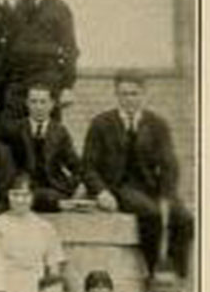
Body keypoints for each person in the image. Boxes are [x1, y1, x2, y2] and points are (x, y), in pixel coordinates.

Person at [82, 73, 195, 276]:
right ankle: (154, 272)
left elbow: (170, 164)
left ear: (143, 94)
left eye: (134, 94)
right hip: (120, 186)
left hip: (152, 186)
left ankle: (176, 274)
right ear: (116, 95)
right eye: (123, 94)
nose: (129, 99)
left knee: (184, 218)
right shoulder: (101, 123)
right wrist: (101, 192)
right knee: (151, 214)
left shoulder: (157, 124)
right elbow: (87, 166)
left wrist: (167, 196)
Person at [2, 0, 78, 121]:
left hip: (47, 78)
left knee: (46, 131)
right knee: (15, 129)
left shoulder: (60, 9)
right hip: (20, 80)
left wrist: (67, 86)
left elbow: (70, 49)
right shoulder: (20, 7)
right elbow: (11, 45)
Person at [0, 173, 67, 292]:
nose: (20, 200)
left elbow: (53, 268)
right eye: (15, 194)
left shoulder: (45, 227)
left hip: (35, 290)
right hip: (4, 287)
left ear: (32, 197)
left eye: (25, 195)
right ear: (7, 196)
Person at [8, 82, 84, 211]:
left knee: (50, 197)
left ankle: (54, 203)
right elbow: (10, 167)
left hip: (55, 187)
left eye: (43, 102)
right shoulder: (15, 130)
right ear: (27, 103)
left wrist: (71, 186)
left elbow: (76, 166)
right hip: (25, 187)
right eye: (34, 101)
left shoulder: (59, 131)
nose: (38, 107)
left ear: (52, 104)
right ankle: (55, 204)